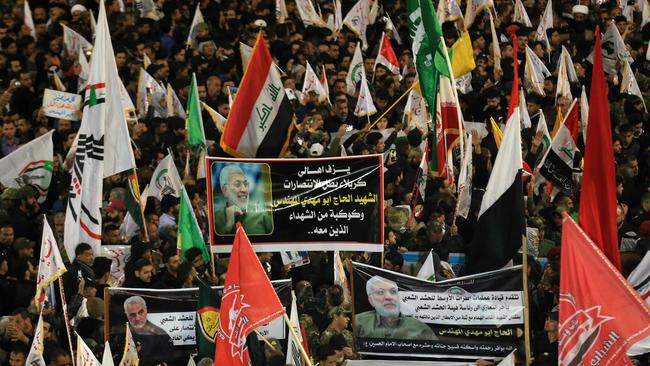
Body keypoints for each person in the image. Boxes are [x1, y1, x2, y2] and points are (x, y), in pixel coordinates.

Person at [355, 276, 436, 340]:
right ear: (371, 300)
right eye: (380, 292)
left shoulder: (420, 328)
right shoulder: (358, 323)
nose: (389, 297)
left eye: (393, 292)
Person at [214, 164, 272, 235]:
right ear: (225, 191)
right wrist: (229, 225)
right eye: (237, 184)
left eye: (246, 184)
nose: (244, 190)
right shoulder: (215, 219)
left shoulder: (261, 215)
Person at [119, 295, 174, 364]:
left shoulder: (161, 336)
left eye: (141, 312)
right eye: (132, 315)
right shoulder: (120, 334)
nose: (137, 318)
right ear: (126, 315)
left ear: (146, 310)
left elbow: (168, 361)